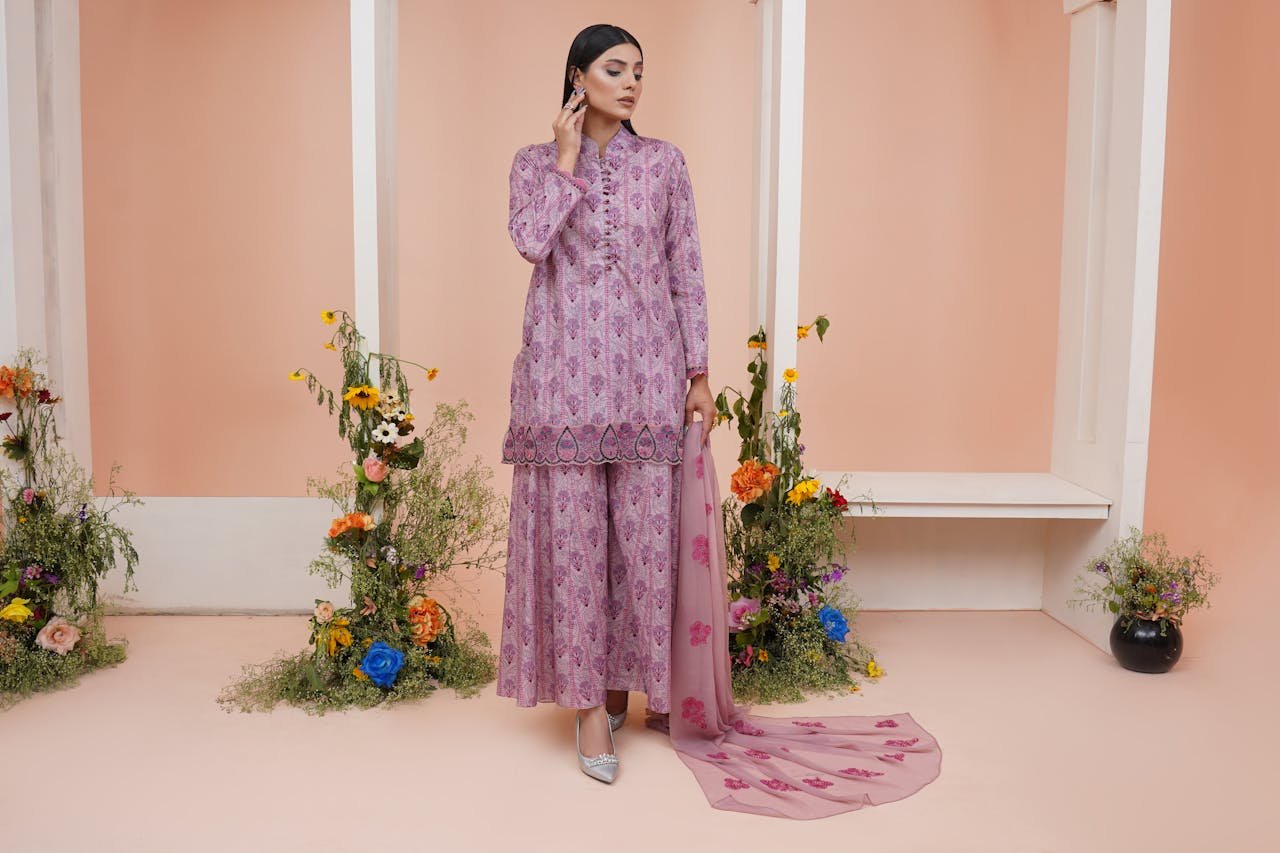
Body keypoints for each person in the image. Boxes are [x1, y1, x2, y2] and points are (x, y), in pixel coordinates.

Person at [496, 23, 716, 784]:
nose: (630, 84)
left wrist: (698, 371)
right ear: (577, 78)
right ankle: (588, 705)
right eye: (614, 69)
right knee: (578, 547)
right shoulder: (534, 164)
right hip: (562, 383)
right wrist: (564, 162)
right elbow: (529, 241)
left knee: (645, 548)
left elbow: (685, 267)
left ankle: (628, 681)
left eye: (639, 73)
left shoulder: (663, 163)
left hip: (649, 378)